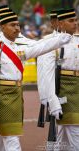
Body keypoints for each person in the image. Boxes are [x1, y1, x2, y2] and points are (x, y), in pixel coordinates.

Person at [0, 5, 72, 151]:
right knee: (11, 139)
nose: (17, 28)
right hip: (3, 97)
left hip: (16, 96)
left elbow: (40, 47)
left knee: (4, 136)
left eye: (18, 24)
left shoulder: (17, 47)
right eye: (13, 25)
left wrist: (61, 40)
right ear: (2, 27)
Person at [37, 8, 78, 151]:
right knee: (68, 134)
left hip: (76, 92)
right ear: (60, 23)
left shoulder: (76, 41)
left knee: (63, 135)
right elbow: (45, 75)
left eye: (75, 20)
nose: (75, 23)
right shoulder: (50, 43)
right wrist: (48, 100)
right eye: (71, 21)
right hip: (61, 92)